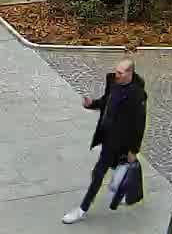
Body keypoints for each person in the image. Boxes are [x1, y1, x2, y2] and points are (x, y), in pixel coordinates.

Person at [63, 59, 148, 224]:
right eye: (116, 71)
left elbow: (139, 125)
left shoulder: (137, 94)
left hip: (120, 142)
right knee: (118, 169)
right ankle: (132, 193)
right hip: (107, 136)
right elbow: (106, 101)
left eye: (120, 73)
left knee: (98, 174)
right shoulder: (113, 82)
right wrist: (91, 104)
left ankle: (82, 209)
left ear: (130, 73)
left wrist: (133, 150)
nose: (116, 75)